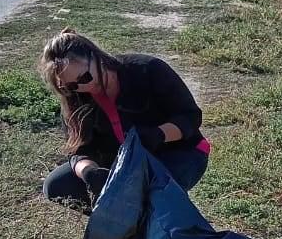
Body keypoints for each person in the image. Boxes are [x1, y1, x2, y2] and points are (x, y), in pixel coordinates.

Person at [40, 29, 210, 212]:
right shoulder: (74, 98)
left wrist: (158, 135)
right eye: (72, 85)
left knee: (147, 191)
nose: (84, 86)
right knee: (57, 185)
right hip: (123, 161)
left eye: (85, 77)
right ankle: (122, 221)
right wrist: (89, 172)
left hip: (179, 152)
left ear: (95, 56)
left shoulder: (147, 69)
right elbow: (78, 150)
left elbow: (190, 116)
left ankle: (158, 220)